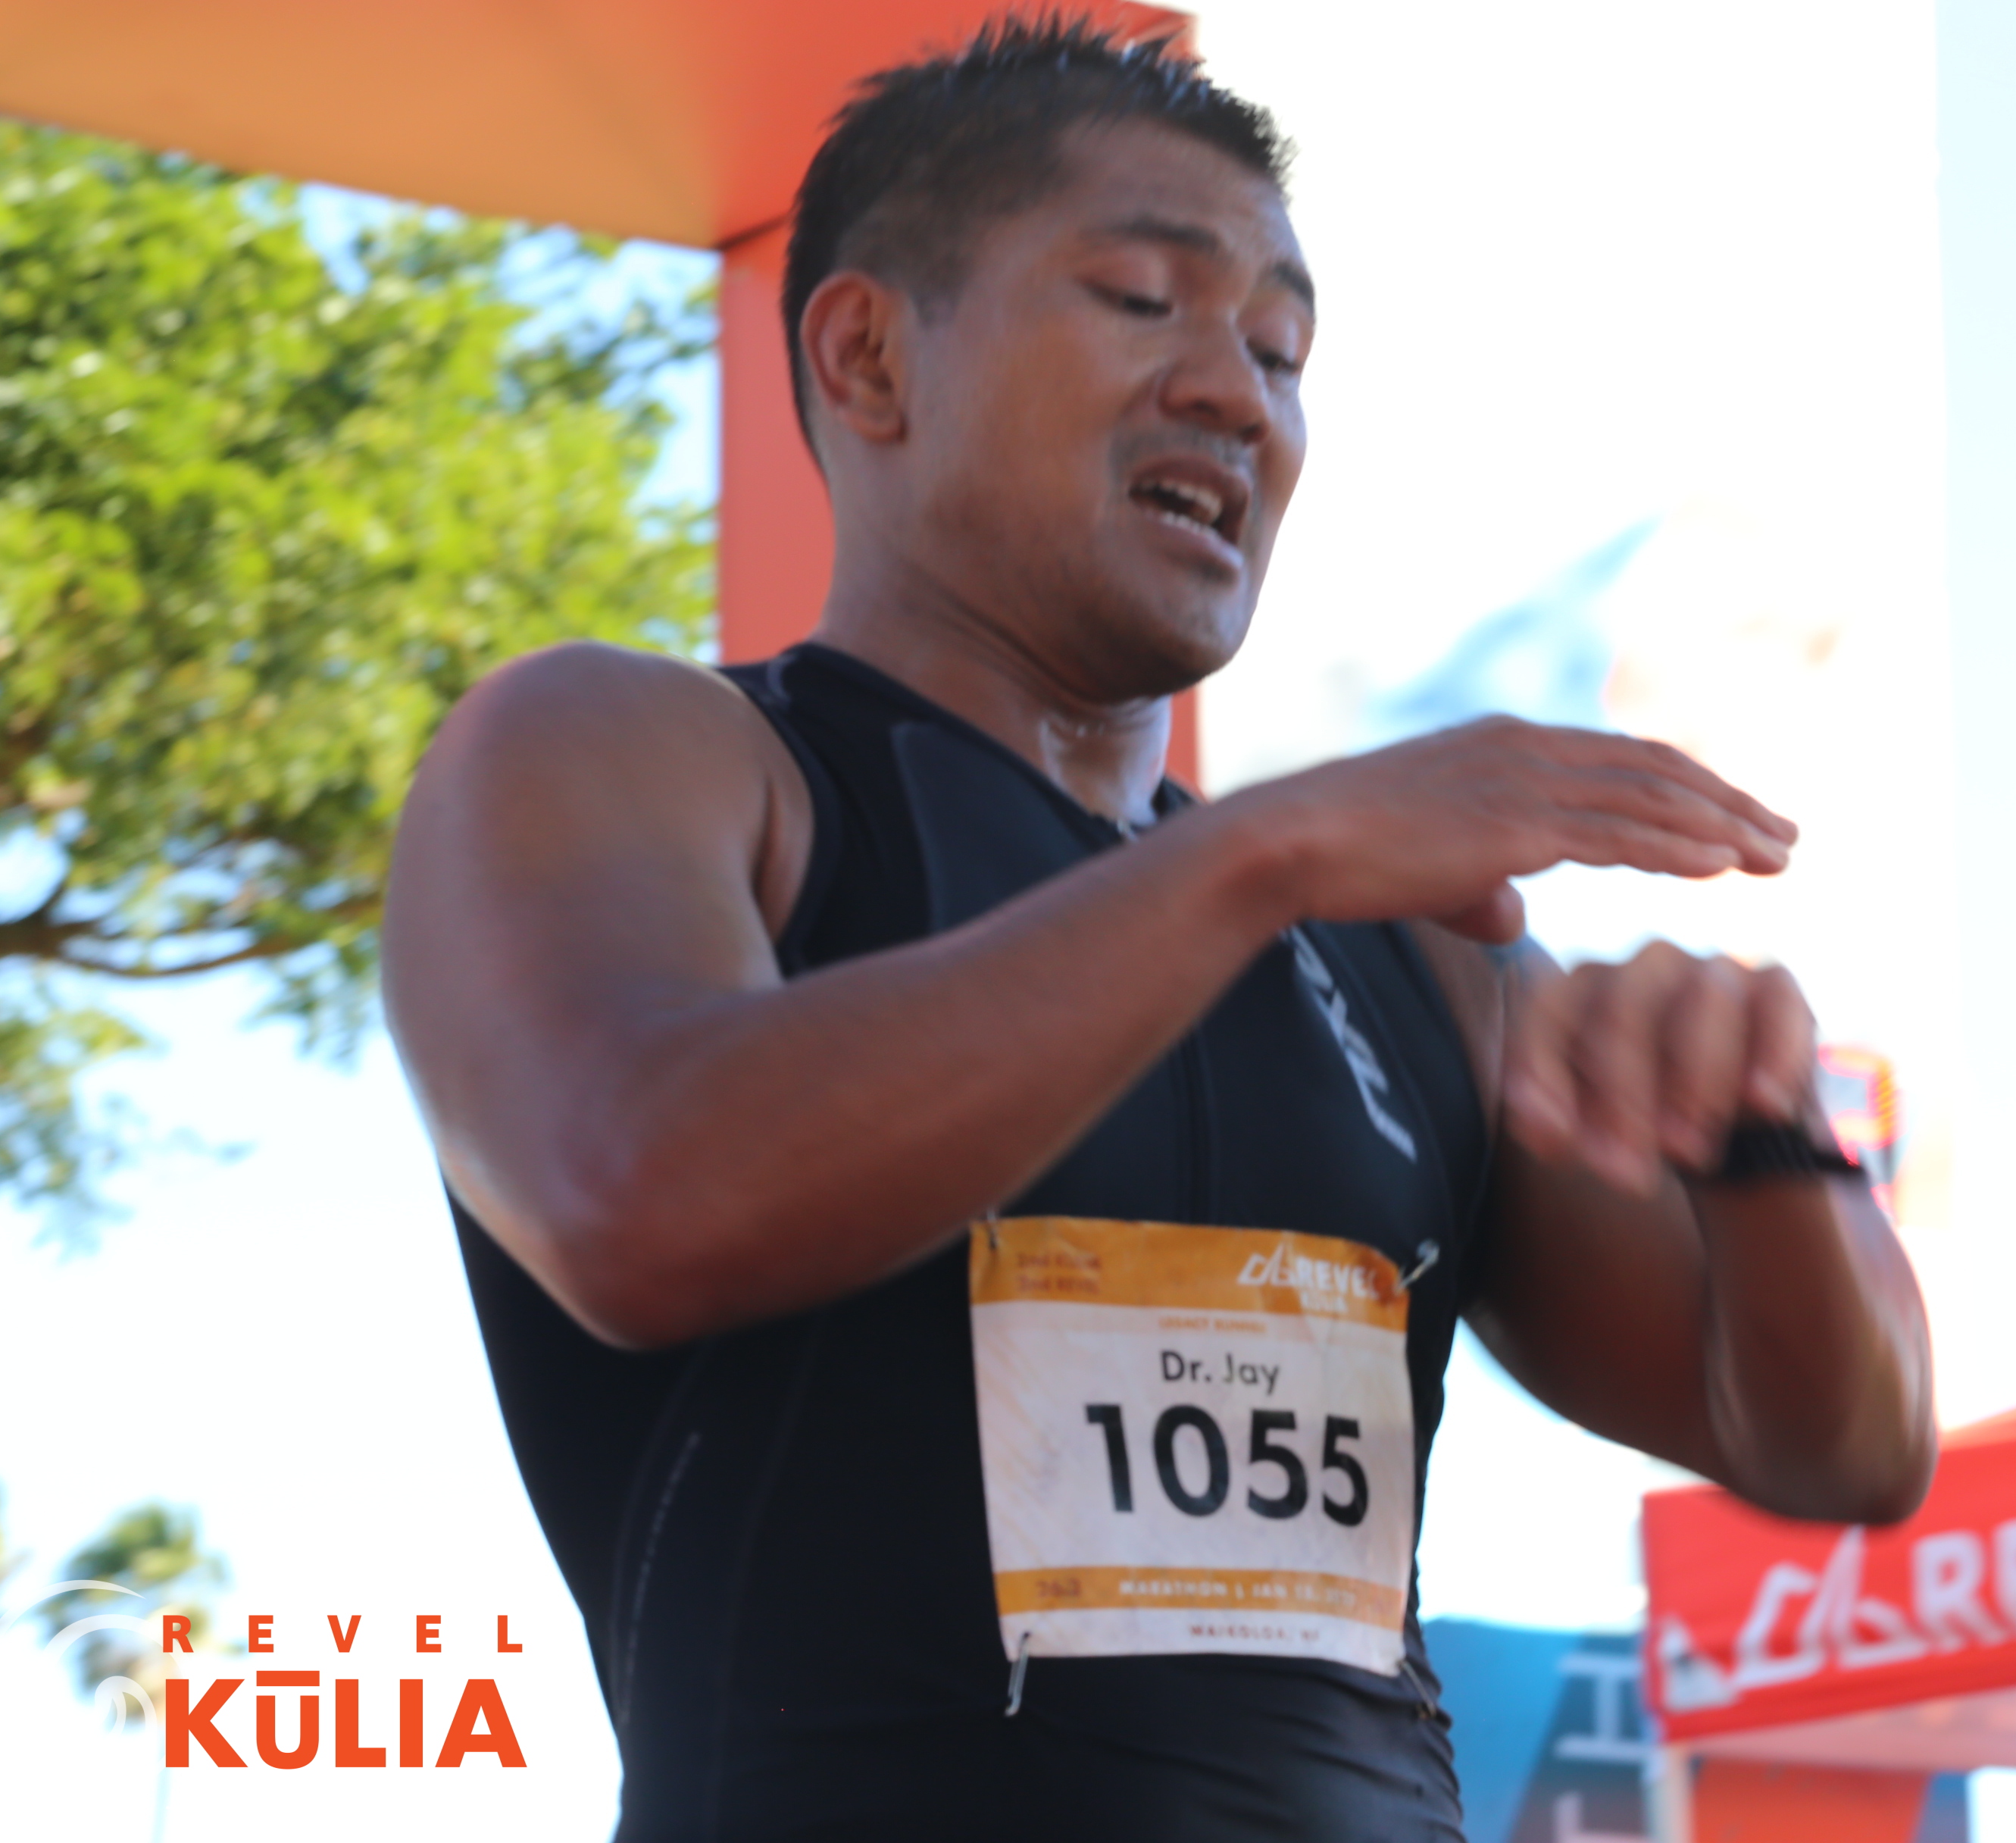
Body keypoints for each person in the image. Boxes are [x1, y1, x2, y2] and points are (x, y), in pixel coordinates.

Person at [382, 19, 1933, 1840]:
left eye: (1281, 351)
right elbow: (638, 1193)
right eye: (1141, 301)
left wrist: (1761, 1135)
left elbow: (1847, 1448)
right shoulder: (629, 750)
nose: (1238, 395)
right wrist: (1258, 855)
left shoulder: (1404, 950)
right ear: (868, 356)